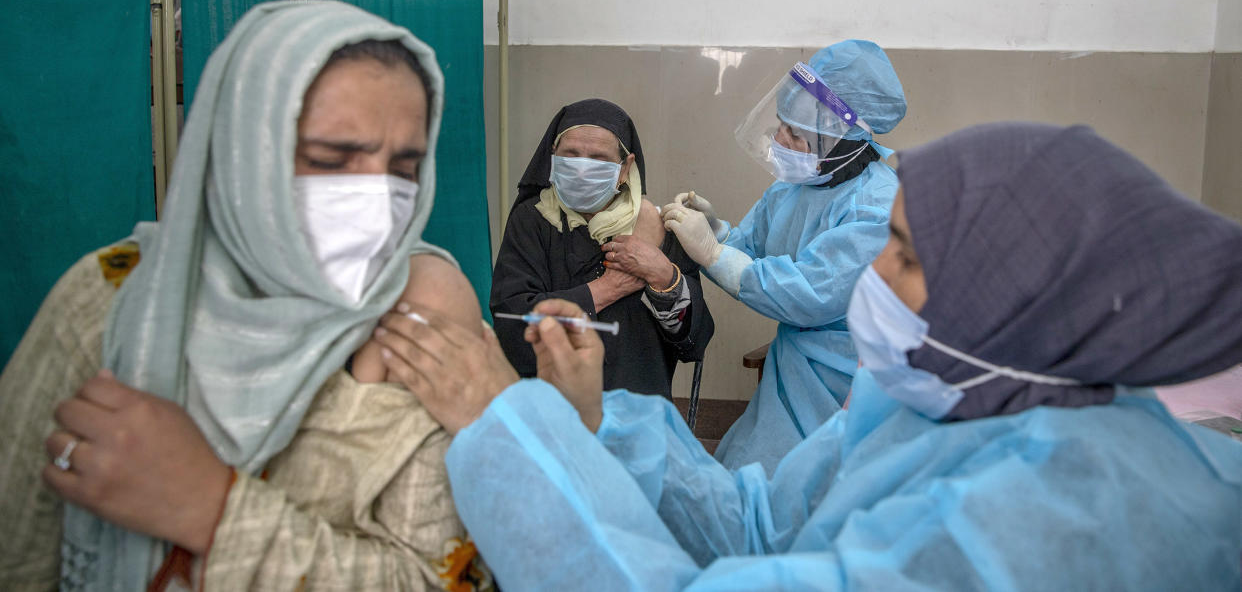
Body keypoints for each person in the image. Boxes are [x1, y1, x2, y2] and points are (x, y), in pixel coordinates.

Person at [372, 122, 1242, 590]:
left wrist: (514, 430)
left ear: (1011, 293)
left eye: (900, 252)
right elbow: (756, 524)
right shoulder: (928, 402)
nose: (873, 273)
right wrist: (598, 427)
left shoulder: (1060, 519)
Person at [0, 0, 492, 591]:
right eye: (331, 160)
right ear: (240, 154)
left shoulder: (420, 319)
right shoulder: (109, 303)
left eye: (403, 169)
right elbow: (17, 554)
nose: (375, 202)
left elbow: (440, 579)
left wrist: (213, 508)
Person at [662, 39, 907, 474]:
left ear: (844, 136)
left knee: (798, 493)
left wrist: (713, 252)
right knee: (744, 476)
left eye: (795, 132)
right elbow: (751, 251)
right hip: (791, 373)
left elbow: (809, 294)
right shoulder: (797, 186)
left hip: (844, 380)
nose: (780, 139)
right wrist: (715, 231)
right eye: (782, 124)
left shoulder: (875, 209)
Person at [490, 99, 713, 398]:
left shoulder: (655, 227)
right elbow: (512, 326)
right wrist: (605, 289)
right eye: (571, 154)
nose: (582, 170)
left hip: (640, 412)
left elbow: (693, 342)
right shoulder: (532, 219)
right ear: (553, 157)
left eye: (598, 158)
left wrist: (665, 278)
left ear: (625, 167)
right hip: (552, 412)